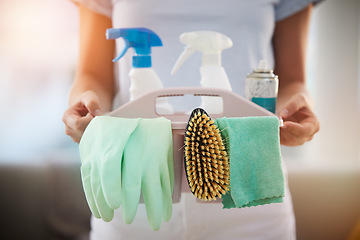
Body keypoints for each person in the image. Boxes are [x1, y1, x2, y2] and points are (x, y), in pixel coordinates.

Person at [62, 0, 321, 239]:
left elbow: (292, 80)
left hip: (249, 189)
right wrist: (86, 107)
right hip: (135, 186)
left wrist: (295, 109)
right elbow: (93, 74)